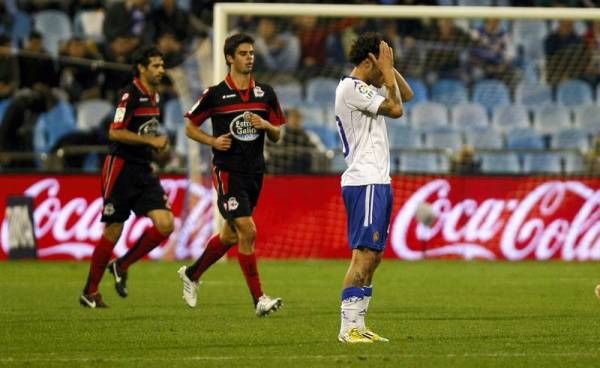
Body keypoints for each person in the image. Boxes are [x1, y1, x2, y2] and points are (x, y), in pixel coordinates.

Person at [178, 33, 284, 317]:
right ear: (229, 58)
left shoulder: (266, 93)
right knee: (248, 230)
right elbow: (190, 126)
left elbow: (277, 134)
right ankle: (259, 299)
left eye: (251, 52)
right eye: (243, 53)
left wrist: (266, 125)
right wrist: (211, 141)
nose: (250, 57)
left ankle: (191, 274)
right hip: (227, 171)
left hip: (255, 172)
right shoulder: (214, 94)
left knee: (229, 236)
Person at [79, 46, 174, 308]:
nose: (161, 70)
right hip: (120, 168)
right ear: (142, 68)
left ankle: (122, 265)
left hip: (143, 169)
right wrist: (150, 140)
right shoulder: (130, 94)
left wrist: (155, 148)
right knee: (114, 229)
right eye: (155, 65)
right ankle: (90, 292)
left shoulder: (155, 95)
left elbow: (144, 133)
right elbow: (115, 132)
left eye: (162, 65)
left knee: (166, 224)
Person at [335, 32, 413, 343]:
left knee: (375, 256)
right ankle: (348, 328)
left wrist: (388, 68)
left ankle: (359, 324)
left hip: (379, 180)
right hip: (364, 179)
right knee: (364, 254)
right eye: (379, 62)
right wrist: (386, 72)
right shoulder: (351, 88)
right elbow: (397, 110)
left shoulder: (366, 87)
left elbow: (405, 96)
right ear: (370, 60)